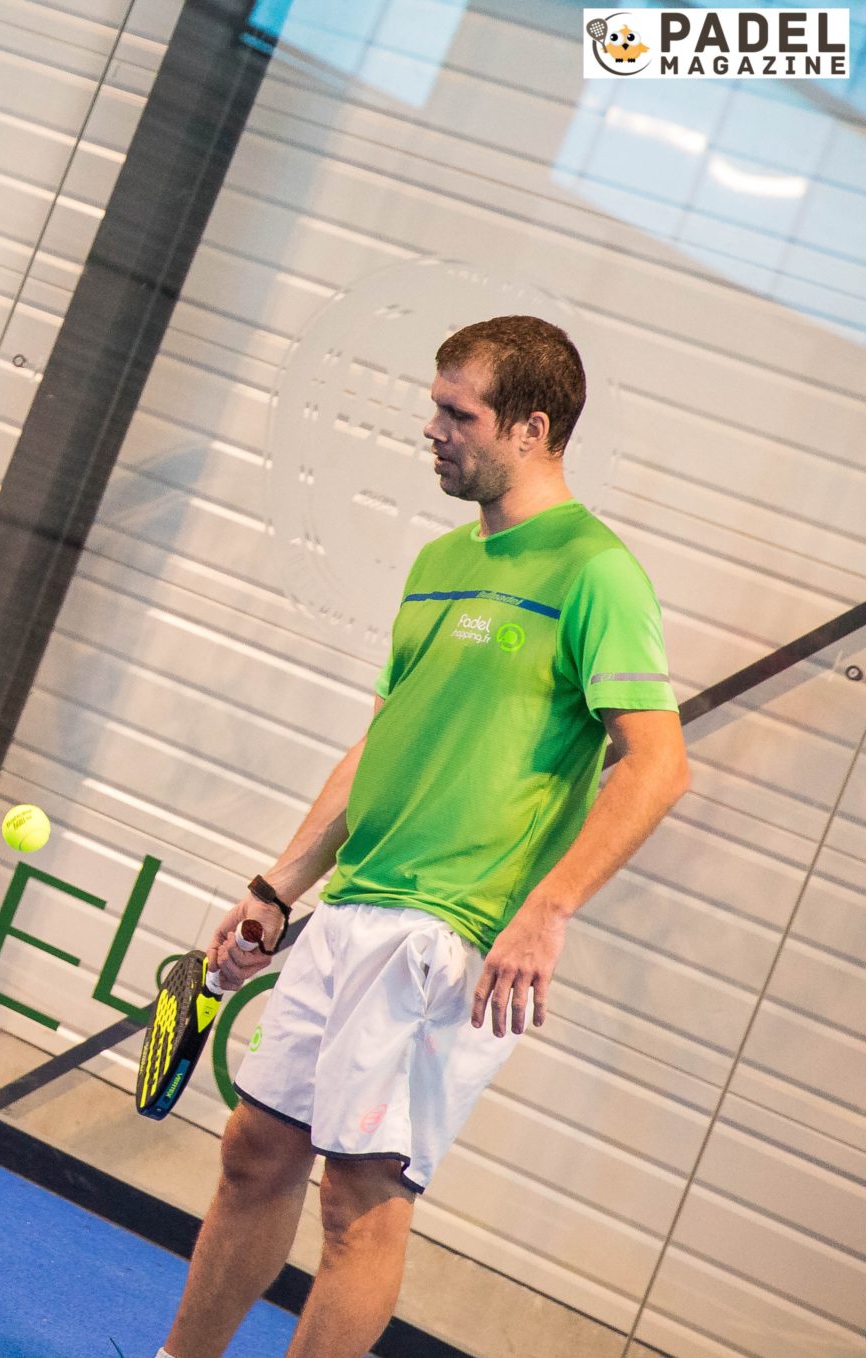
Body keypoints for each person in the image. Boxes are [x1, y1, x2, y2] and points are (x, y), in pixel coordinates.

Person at [156, 316, 688, 1357]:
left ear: (532, 429)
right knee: (254, 1152)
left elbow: (656, 764)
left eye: (458, 413)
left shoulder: (595, 571)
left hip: (450, 935)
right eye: (434, 407)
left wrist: (547, 909)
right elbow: (382, 740)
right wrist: (276, 887)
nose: (431, 429)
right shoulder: (440, 560)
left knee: (358, 1203)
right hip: (355, 904)